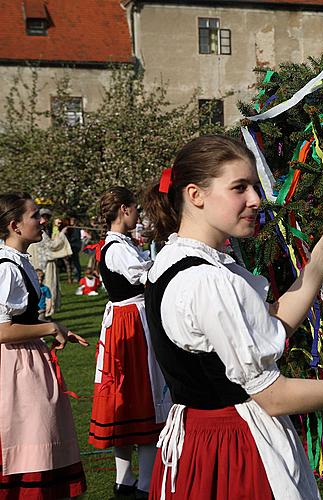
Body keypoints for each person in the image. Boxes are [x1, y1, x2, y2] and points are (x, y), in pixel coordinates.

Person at [141, 135, 323, 499]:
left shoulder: (175, 262)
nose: (255, 199)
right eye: (239, 188)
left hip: (201, 441)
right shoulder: (206, 280)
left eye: (254, 186)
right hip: (234, 448)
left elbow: (271, 326)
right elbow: (273, 396)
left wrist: (322, 255)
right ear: (196, 195)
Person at [0, 192, 89, 498]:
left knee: (44, 433)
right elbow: (1, 331)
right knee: (29, 436)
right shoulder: (6, 268)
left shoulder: (18, 262)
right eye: (34, 216)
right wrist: (51, 326)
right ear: (15, 225)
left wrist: (55, 330)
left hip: (28, 357)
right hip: (14, 366)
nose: (41, 221)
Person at [89, 187, 170, 499]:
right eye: (135, 209)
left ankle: (130, 480)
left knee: (135, 395)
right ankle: (141, 483)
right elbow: (146, 276)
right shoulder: (117, 248)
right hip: (131, 323)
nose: (138, 214)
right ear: (124, 210)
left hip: (130, 319)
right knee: (141, 394)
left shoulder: (119, 245)